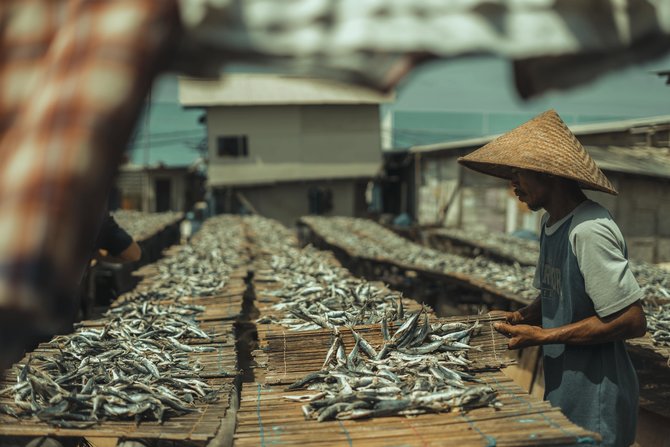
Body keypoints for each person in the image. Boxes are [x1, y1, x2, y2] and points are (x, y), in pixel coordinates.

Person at [458, 109, 647, 447]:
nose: (513, 184)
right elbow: (555, 292)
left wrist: (544, 336)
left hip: (598, 395)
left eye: (520, 173)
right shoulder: (549, 224)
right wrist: (523, 315)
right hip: (565, 387)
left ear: (551, 174)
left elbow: (631, 320)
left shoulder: (589, 229)